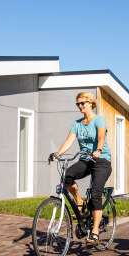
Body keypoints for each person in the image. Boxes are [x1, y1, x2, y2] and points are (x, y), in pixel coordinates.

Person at [49, 91, 112, 247]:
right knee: (67, 176)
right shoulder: (77, 124)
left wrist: (98, 150)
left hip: (101, 160)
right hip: (85, 160)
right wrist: (57, 154)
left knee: (96, 193)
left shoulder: (99, 120)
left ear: (91, 103)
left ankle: (95, 232)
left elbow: (101, 137)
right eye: (78, 104)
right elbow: (69, 140)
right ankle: (79, 200)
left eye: (82, 103)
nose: (80, 106)